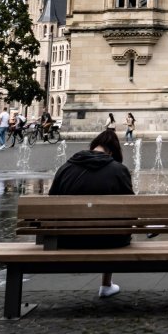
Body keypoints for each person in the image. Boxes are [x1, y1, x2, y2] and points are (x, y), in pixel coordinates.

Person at [49, 128, 133, 299]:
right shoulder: (118, 169)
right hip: (111, 240)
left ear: (94, 146)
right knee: (110, 226)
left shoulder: (65, 168)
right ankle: (106, 284)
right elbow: (131, 207)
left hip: (67, 238)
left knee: (106, 226)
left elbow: (51, 202)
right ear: (112, 151)